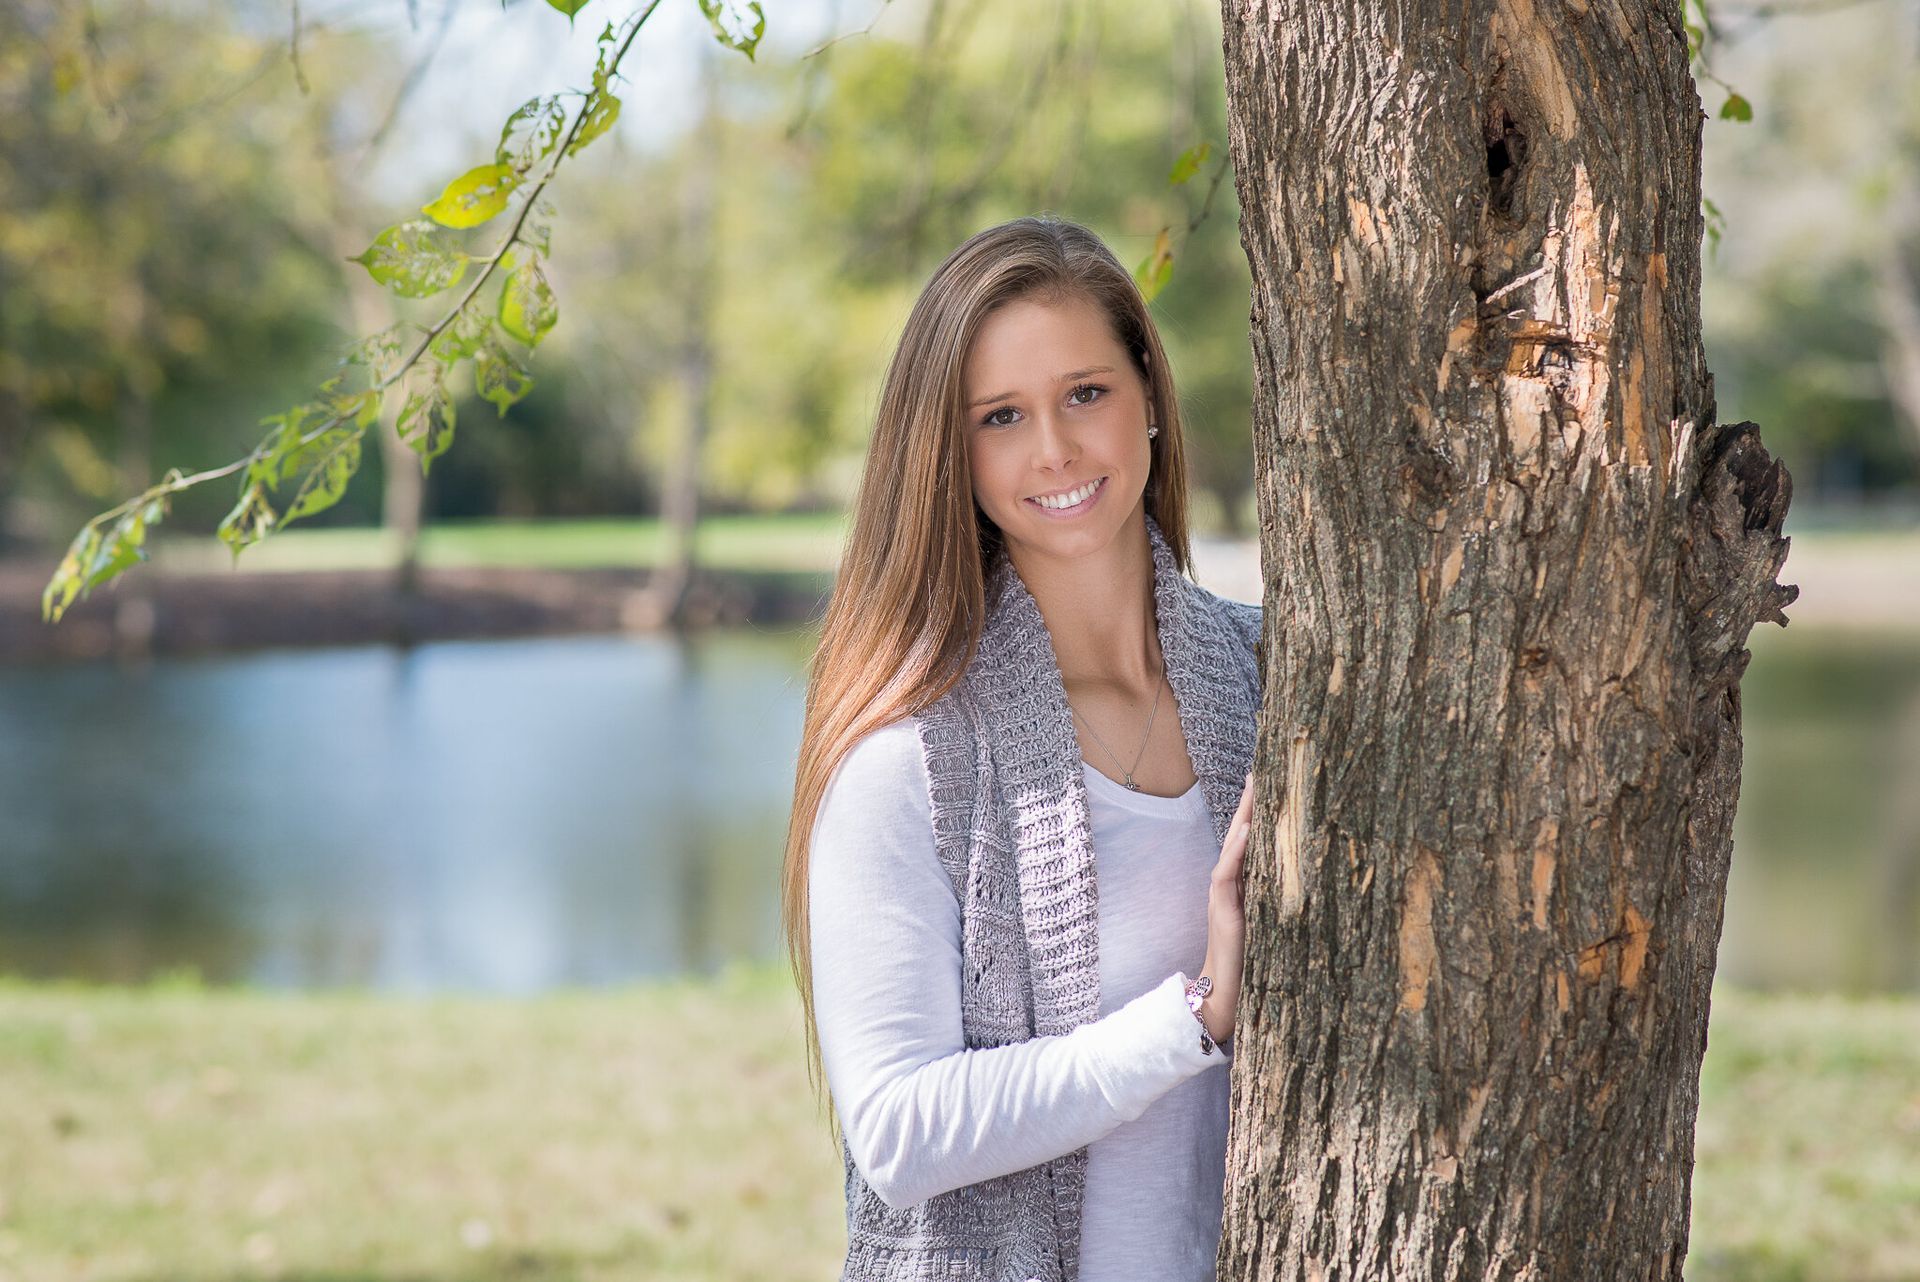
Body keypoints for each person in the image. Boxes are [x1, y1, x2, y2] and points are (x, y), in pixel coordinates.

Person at [781, 214, 1263, 1282]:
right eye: (1001, 416)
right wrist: (1198, 1014)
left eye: (1086, 392)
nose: (1054, 448)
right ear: (949, 453)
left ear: (1148, 396)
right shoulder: (912, 757)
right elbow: (898, 1129)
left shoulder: (1277, 678)